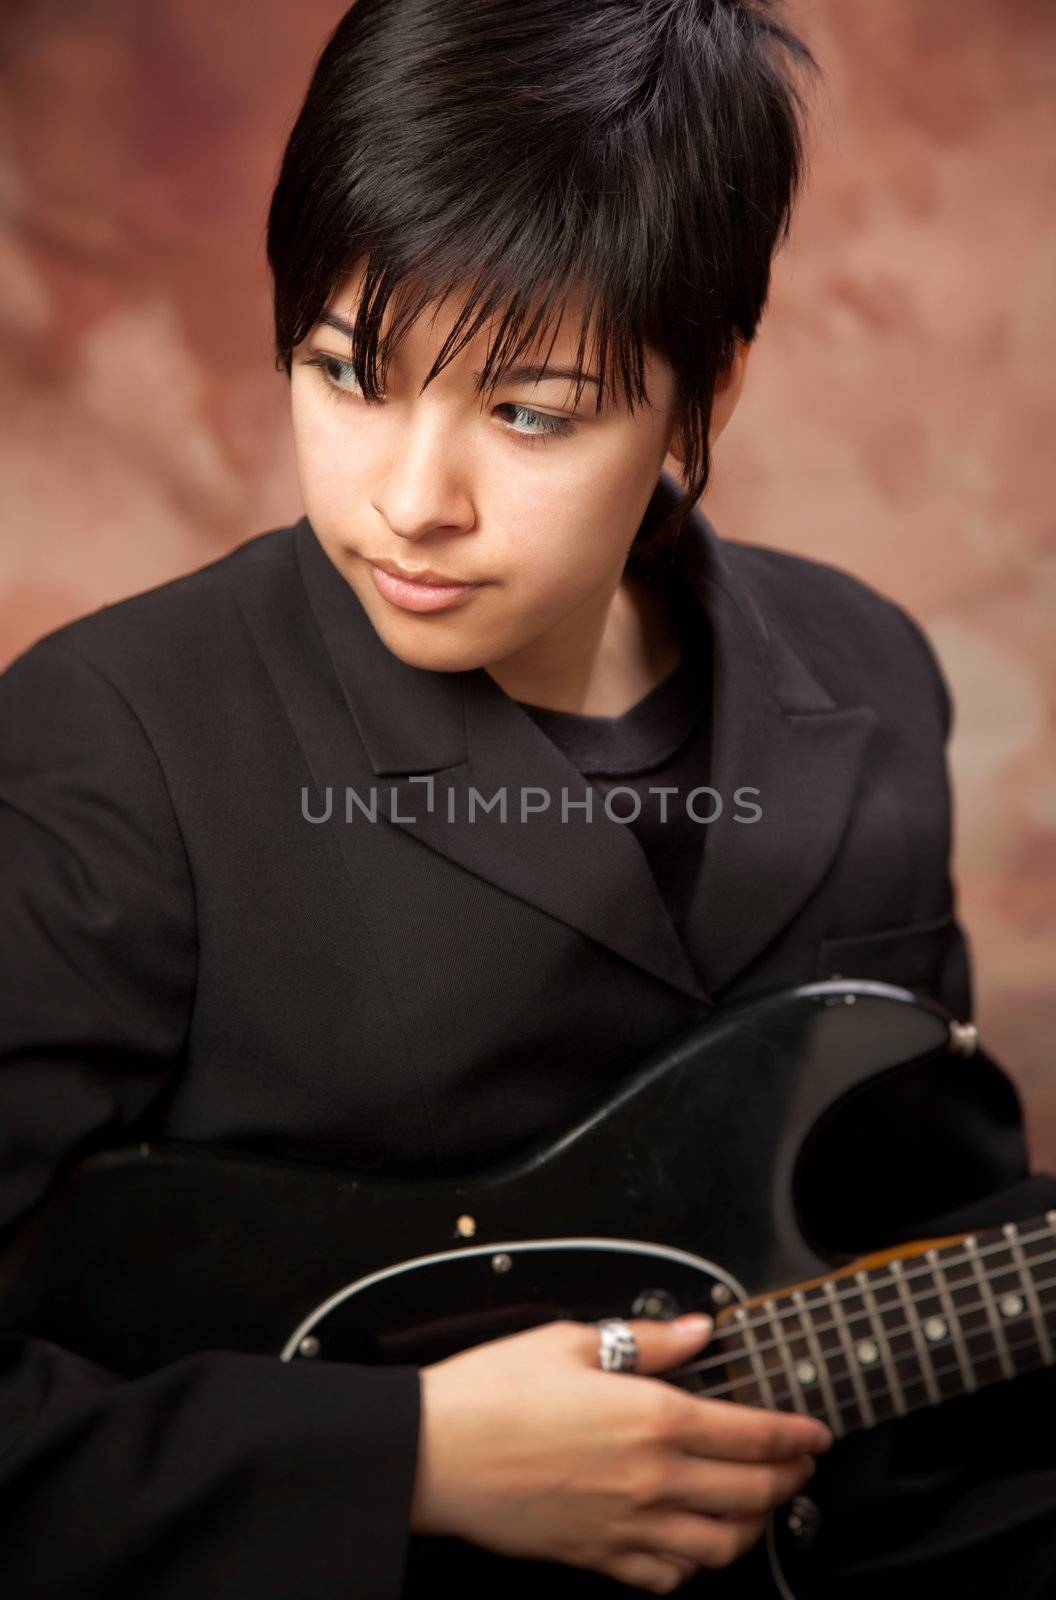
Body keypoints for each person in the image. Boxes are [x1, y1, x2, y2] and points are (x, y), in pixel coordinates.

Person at [1, 2, 1054, 1596]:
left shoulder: (867, 669)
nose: (409, 502)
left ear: (711, 385)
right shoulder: (111, 745)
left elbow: (922, 1231)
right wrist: (409, 1462)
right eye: (346, 376)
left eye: (529, 413)